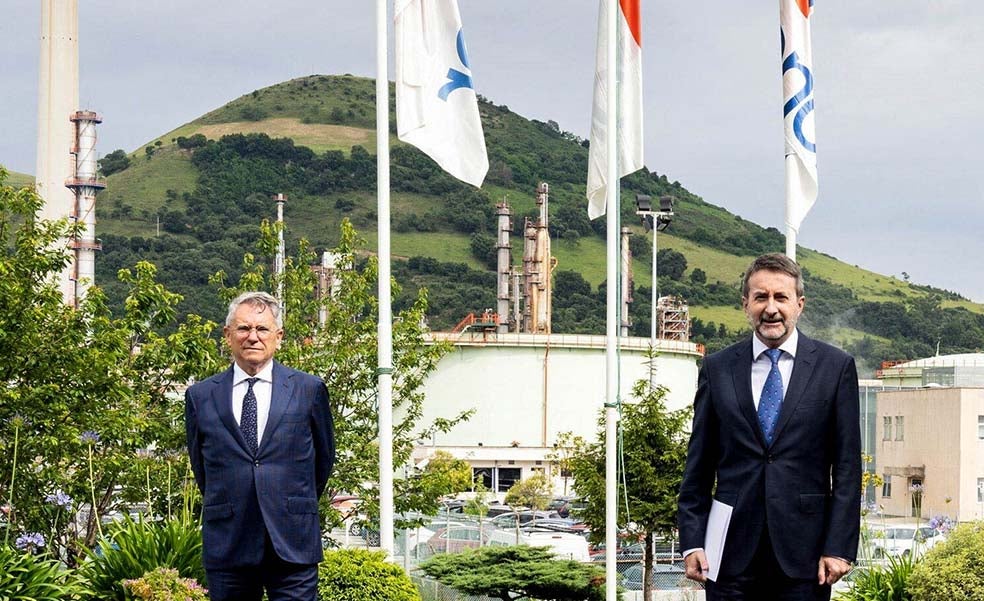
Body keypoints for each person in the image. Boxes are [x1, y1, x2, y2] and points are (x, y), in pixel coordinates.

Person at [677, 254, 860, 600]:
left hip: (806, 557)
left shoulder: (835, 368)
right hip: (727, 555)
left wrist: (839, 546)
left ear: (799, 304)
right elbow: (698, 464)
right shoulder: (717, 369)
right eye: (761, 297)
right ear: (745, 304)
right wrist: (692, 541)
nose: (771, 308)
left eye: (781, 297)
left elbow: (848, 468)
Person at [186, 291, 334, 601]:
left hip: (293, 540)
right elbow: (202, 468)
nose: (252, 337)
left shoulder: (309, 390)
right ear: (228, 335)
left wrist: (289, 501)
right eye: (243, 328)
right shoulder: (201, 396)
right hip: (229, 541)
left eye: (262, 329)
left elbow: (323, 461)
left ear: (278, 337)